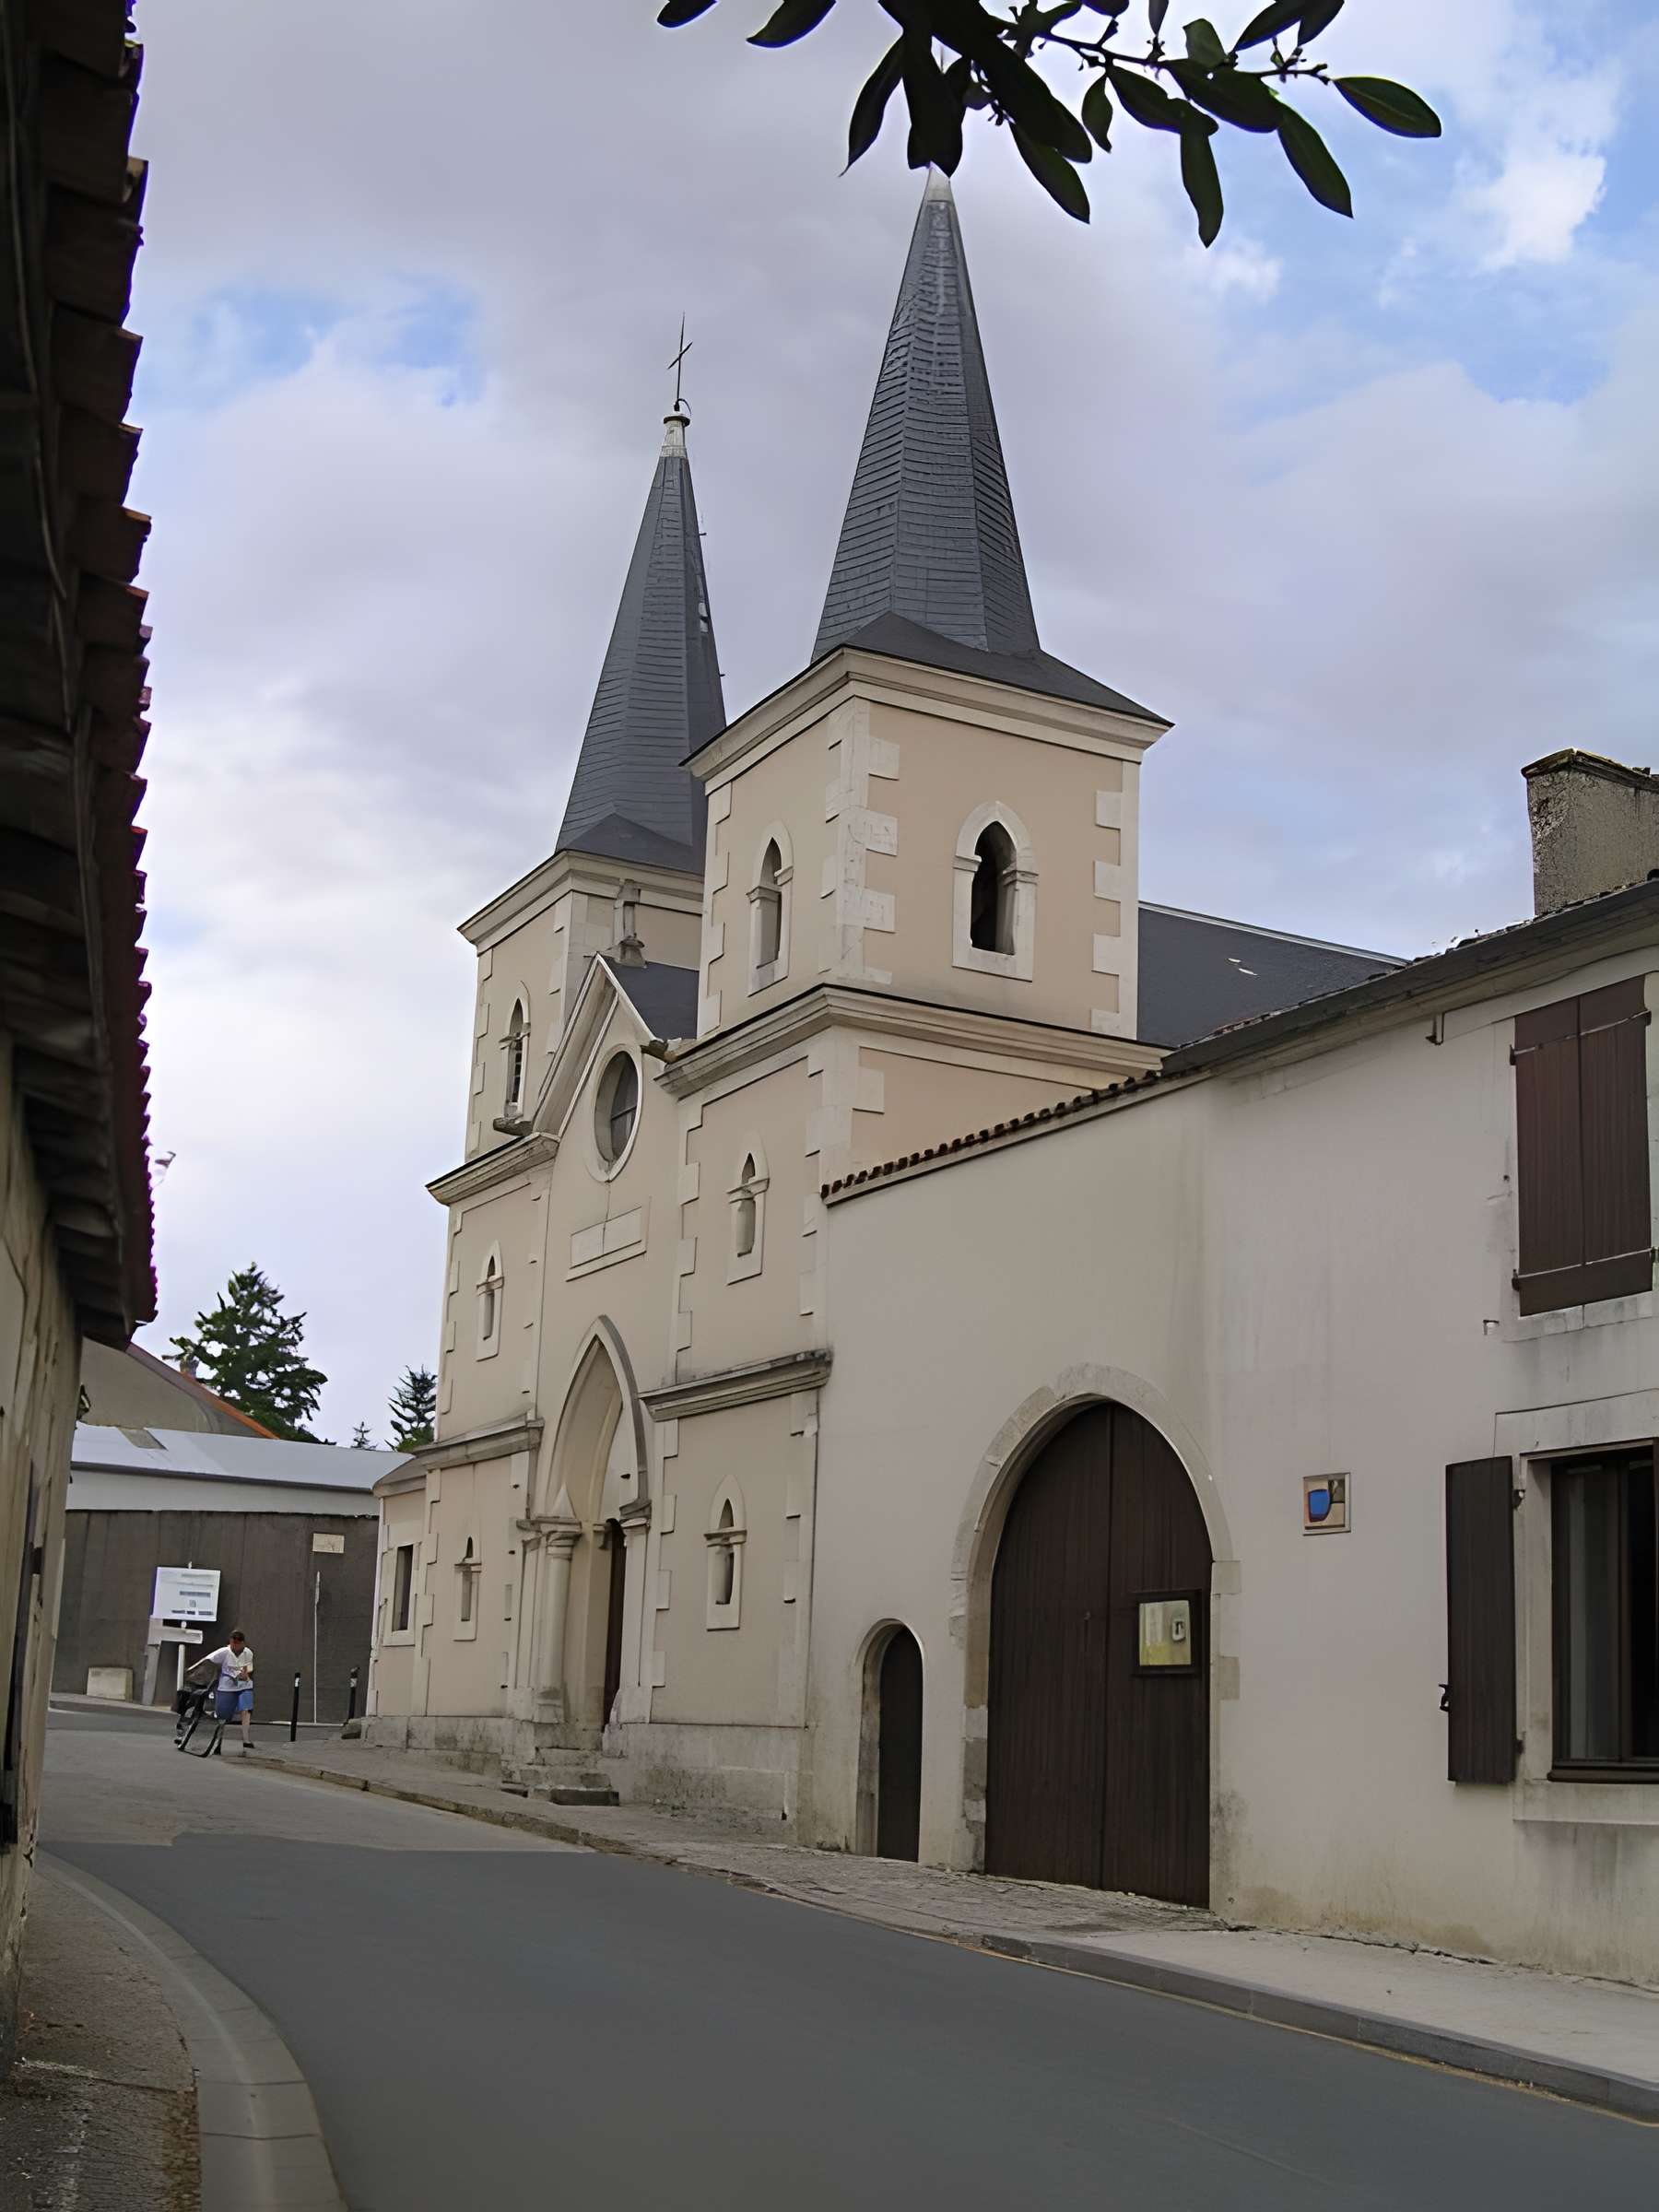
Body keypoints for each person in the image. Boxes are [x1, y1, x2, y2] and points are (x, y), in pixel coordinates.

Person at [188, 1629, 255, 1755]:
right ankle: (218, 1742)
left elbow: (247, 1670)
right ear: (230, 1642)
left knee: (246, 1709)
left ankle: (246, 1739)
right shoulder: (223, 1652)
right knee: (223, 1716)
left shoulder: (247, 1653)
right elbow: (208, 1661)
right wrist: (197, 1673)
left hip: (244, 1685)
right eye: (233, 1643)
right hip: (226, 1687)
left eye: (238, 1644)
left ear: (242, 1643)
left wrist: (244, 1675)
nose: (235, 1646)